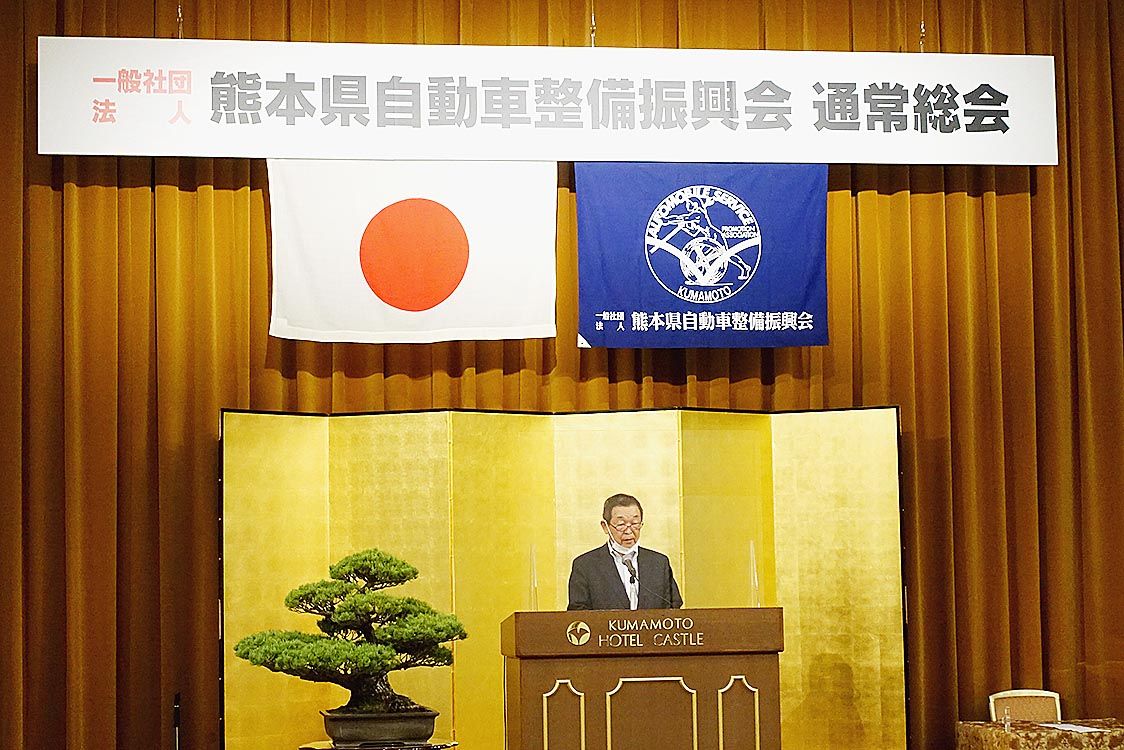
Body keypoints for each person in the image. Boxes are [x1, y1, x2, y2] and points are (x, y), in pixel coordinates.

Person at [567, 493, 683, 611]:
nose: (628, 531)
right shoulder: (585, 565)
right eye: (621, 525)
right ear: (605, 526)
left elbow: (674, 607)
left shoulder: (659, 563)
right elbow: (578, 612)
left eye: (635, 524)